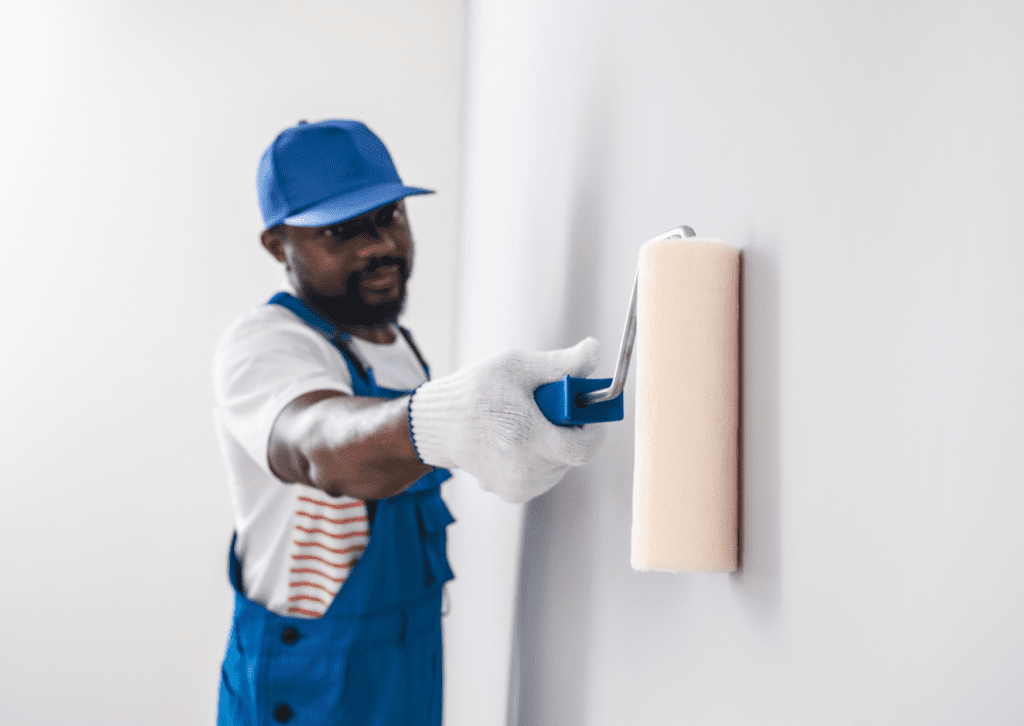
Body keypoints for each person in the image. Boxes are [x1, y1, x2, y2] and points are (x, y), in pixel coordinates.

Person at [214, 119, 604, 725]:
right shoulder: (266, 347)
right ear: (277, 244)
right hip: (310, 683)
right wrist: (445, 420)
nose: (378, 246)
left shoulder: (400, 348)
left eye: (389, 216)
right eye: (340, 230)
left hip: (406, 669)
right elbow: (319, 445)